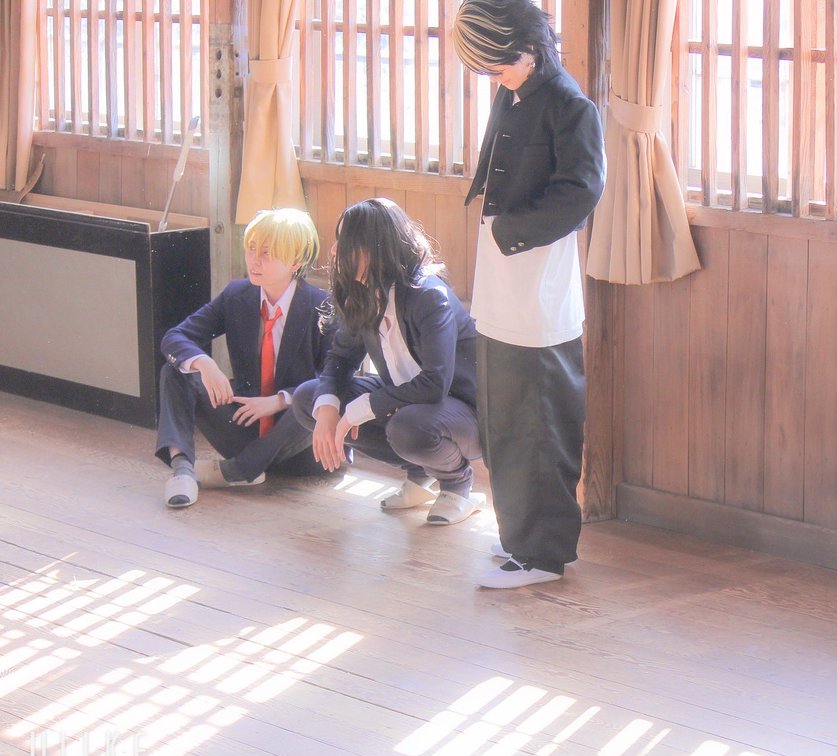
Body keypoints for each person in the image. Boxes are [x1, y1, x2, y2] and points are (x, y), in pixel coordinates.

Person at [451, 0, 605, 588]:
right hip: (500, 281)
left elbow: (580, 193)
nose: (494, 76)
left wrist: (510, 232)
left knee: (542, 423)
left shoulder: (571, 106)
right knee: (504, 420)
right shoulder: (511, 92)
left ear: (530, 49)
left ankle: (542, 555)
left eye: (497, 65)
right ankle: (518, 536)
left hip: (540, 286)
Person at [291, 198, 483, 527]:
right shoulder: (364, 290)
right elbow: (340, 358)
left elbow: (435, 384)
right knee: (309, 399)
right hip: (409, 402)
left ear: (373, 248)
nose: (335, 250)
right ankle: (419, 475)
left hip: (463, 413)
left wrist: (364, 406)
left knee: (408, 426)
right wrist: (328, 408)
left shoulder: (428, 295)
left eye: (345, 240)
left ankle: (457, 485)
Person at [157, 207, 332, 508]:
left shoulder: (323, 307)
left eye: (267, 252)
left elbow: (334, 380)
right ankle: (183, 471)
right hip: (244, 426)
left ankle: (237, 471)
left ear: (296, 261)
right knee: (175, 370)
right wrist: (205, 363)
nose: (254, 260)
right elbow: (175, 337)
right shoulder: (237, 295)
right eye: (251, 248)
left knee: (316, 396)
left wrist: (279, 400)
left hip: (302, 445)